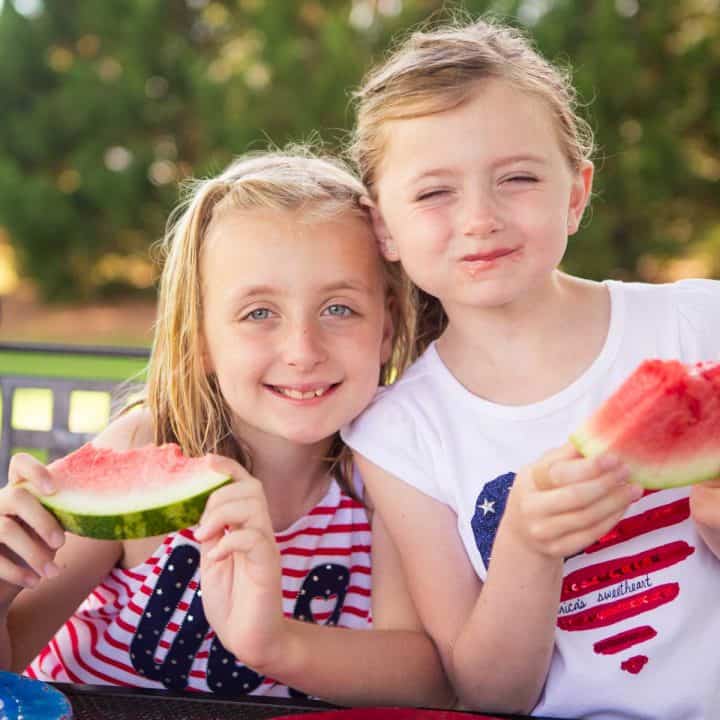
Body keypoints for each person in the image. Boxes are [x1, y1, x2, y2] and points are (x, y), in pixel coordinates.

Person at [341, 17, 720, 720]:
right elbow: (486, 694)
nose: (480, 218)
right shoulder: (401, 435)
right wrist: (526, 547)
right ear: (383, 227)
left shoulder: (700, 324)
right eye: (434, 193)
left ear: (575, 194)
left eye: (516, 178)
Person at [0, 149, 452, 707]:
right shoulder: (147, 444)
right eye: (259, 313)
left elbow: (429, 682)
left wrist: (274, 643)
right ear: (200, 339)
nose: (302, 351)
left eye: (338, 309)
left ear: (386, 328)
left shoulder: (390, 476)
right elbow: (12, 652)